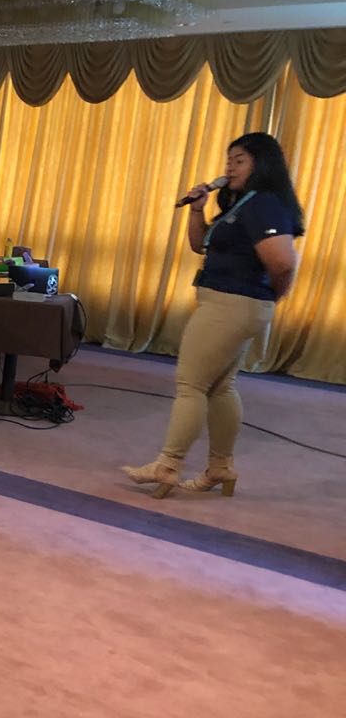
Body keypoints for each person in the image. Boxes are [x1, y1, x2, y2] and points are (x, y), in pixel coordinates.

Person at [122, 132, 302, 498]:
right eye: (228, 160)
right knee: (221, 386)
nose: (229, 167)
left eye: (239, 160)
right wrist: (197, 209)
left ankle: (167, 465)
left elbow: (283, 261)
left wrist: (275, 296)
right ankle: (220, 468)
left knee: (191, 386)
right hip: (231, 302)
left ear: (261, 164)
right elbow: (198, 243)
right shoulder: (242, 204)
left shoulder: (264, 204)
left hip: (232, 303)